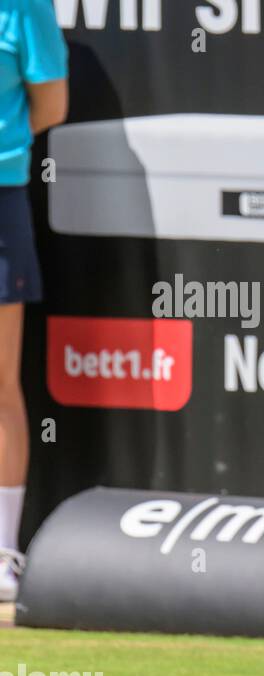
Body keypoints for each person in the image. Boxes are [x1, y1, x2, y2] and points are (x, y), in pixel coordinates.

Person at [0, 1, 67, 602]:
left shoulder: (25, 6)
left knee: (0, 383)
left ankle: (1, 551)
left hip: (3, 196)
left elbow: (51, 104)